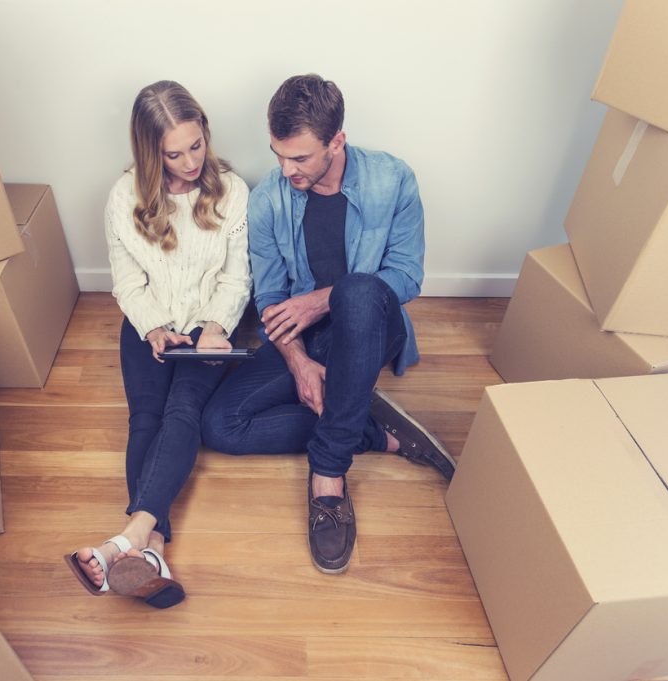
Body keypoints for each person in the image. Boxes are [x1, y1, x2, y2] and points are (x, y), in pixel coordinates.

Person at [201, 74, 453, 575]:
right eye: (277, 154)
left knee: (357, 289)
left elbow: (405, 277)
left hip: (374, 325)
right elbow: (271, 296)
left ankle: (329, 474)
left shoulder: (393, 179)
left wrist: (322, 300)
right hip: (301, 337)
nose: (285, 169)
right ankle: (375, 432)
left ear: (337, 141)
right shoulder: (270, 197)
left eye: (299, 158)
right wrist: (297, 361)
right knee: (219, 425)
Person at [64, 80, 250, 608]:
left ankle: (126, 539)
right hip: (148, 325)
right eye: (175, 153)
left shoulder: (233, 191)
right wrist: (151, 328)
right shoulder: (123, 197)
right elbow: (125, 282)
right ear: (151, 152)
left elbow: (237, 279)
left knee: (183, 410)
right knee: (145, 417)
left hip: (208, 329)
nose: (191, 161)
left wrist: (214, 327)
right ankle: (153, 553)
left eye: (197, 145)